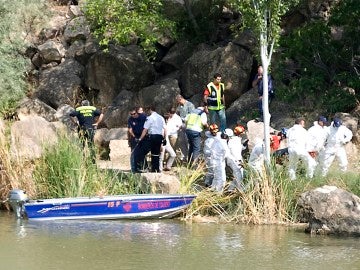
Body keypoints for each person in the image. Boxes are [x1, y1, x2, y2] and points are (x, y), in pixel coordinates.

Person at [137, 105, 167, 173]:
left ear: (150, 110)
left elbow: (145, 130)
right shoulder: (161, 118)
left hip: (152, 137)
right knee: (155, 154)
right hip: (159, 137)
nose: (147, 112)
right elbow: (165, 129)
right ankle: (155, 169)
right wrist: (165, 139)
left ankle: (145, 167)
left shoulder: (149, 118)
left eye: (148, 110)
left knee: (142, 151)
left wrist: (140, 139)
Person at [203, 124, 226, 192]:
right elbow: (206, 152)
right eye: (213, 132)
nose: (214, 133)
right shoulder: (208, 141)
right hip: (210, 158)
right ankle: (207, 183)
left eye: (215, 131)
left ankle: (213, 186)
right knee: (211, 171)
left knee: (216, 174)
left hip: (218, 159)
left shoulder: (219, 138)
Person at [175, 95, 195, 161]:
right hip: (181, 125)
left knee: (188, 142)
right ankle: (184, 157)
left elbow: (193, 115)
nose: (178, 103)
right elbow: (177, 113)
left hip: (188, 125)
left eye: (178, 101)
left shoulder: (190, 105)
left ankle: (190, 158)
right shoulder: (179, 106)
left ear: (180, 99)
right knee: (182, 142)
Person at [127, 107, 147, 172]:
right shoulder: (130, 119)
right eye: (131, 114)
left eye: (134, 113)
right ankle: (134, 169)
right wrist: (133, 136)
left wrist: (142, 137)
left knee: (142, 153)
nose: (133, 115)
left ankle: (143, 167)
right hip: (134, 137)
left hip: (143, 136)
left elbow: (146, 128)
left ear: (137, 112)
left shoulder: (143, 117)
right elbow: (130, 129)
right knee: (133, 153)